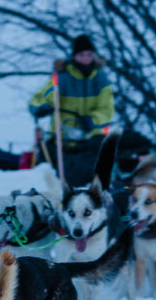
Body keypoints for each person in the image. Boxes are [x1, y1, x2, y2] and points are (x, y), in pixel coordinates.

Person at [28, 34, 114, 186]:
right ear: (74, 56)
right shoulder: (62, 77)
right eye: (81, 54)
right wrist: (40, 107)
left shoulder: (100, 78)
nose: (86, 58)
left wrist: (93, 120)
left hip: (90, 139)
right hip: (63, 140)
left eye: (89, 54)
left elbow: (107, 109)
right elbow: (40, 97)